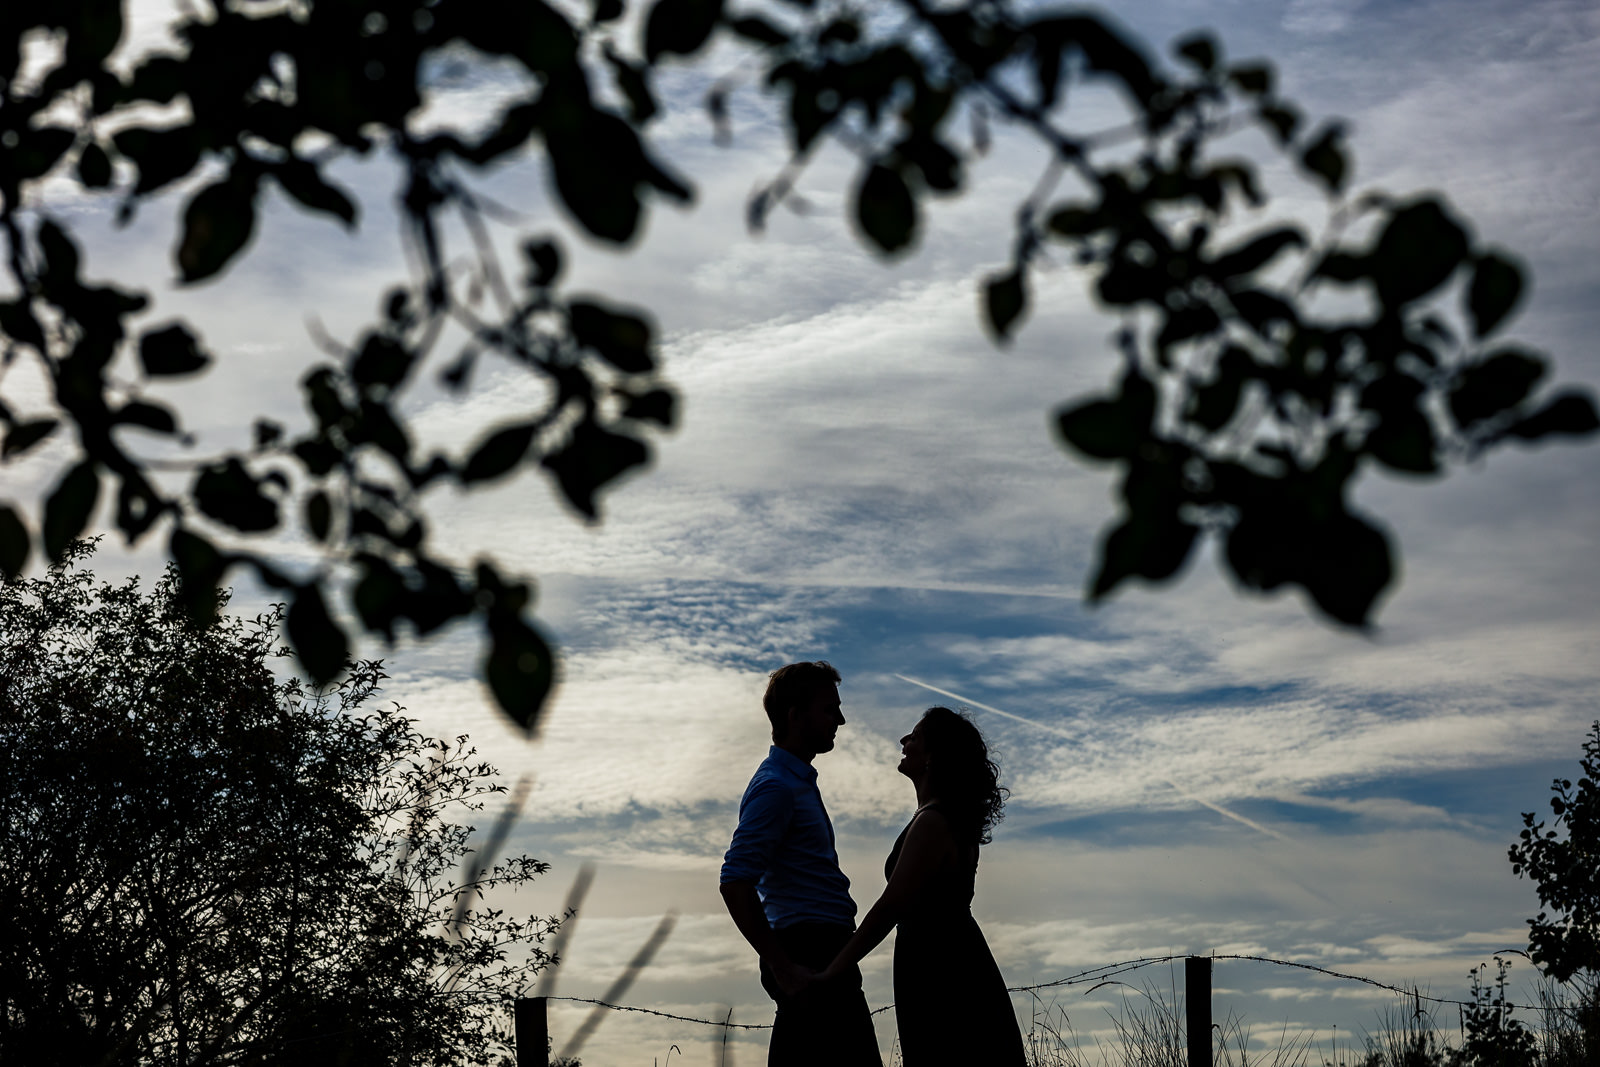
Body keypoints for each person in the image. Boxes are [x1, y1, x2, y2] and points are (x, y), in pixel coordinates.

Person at [817, 706, 1026, 1066]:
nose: (904, 740)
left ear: (932, 756)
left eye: (914, 736)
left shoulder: (933, 822)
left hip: (939, 969)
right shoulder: (946, 818)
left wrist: (834, 969)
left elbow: (890, 906)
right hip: (952, 957)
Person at [719, 661, 883, 1066]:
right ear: (795, 715)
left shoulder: (794, 781)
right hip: (811, 950)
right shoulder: (777, 787)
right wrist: (783, 965)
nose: (840, 720)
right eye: (830, 709)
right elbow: (735, 879)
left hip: (823, 950)